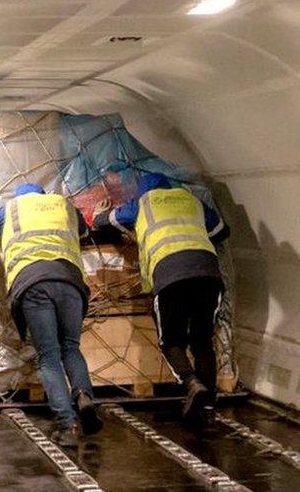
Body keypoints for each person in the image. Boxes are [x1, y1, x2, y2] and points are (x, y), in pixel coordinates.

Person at [93, 172, 229, 428]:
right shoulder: (190, 199)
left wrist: (101, 212)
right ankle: (208, 409)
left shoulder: (142, 204)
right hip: (208, 274)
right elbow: (222, 230)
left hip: (170, 276)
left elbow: (103, 221)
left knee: (171, 340)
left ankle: (191, 382)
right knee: (202, 341)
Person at [0, 183, 102, 446]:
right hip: (71, 283)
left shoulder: (11, 209)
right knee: (71, 347)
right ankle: (83, 396)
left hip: (34, 284)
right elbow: (84, 230)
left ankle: (67, 425)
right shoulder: (64, 205)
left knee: (49, 356)